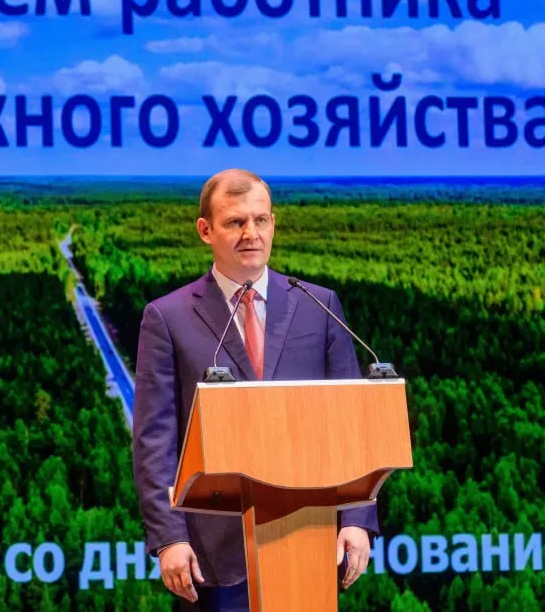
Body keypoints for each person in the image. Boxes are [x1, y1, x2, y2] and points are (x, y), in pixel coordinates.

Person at [131, 169, 378, 611]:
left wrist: (357, 519)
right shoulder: (167, 317)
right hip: (212, 555)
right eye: (235, 222)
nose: (251, 233)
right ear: (205, 230)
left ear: (273, 224)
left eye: (261, 220)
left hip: (310, 542)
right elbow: (155, 440)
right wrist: (169, 537)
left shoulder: (318, 306)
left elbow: (351, 425)